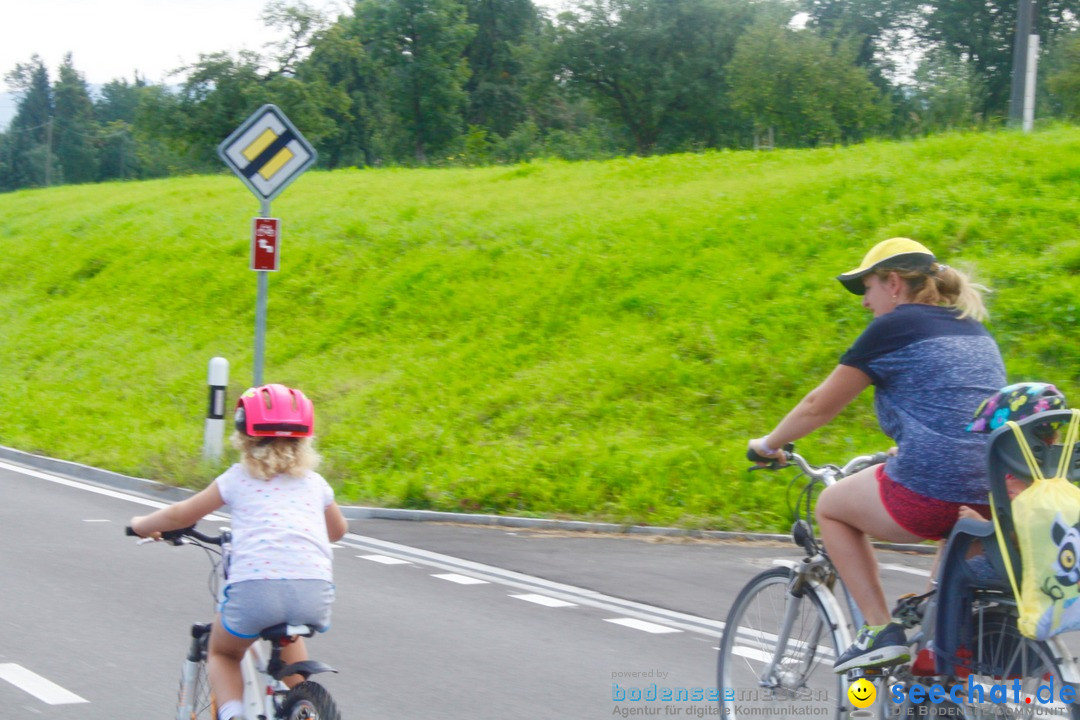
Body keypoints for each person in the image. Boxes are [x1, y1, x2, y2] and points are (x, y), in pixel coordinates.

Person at [747, 237, 1006, 673]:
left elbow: (819, 406)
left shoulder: (895, 328)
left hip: (929, 491)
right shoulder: (973, 328)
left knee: (831, 507)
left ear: (893, 283)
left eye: (867, 289)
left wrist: (769, 444)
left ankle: (878, 630)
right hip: (994, 492)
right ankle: (934, 659)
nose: (865, 303)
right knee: (939, 608)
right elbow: (955, 412)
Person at [131, 383, 348, 720]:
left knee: (222, 652)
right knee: (287, 636)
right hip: (314, 593)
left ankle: (233, 714)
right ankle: (301, 706)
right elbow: (338, 531)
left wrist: (143, 523)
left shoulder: (237, 478)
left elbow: (180, 516)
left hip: (255, 591)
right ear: (304, 439)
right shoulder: (316, 483)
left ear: (244, 437)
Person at [958, 381, 1068, 523]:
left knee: (960, 534)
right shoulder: (1058, 472)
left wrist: (980, 523)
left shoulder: (1020, 484)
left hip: (1018, 543)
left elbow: (1023, 536)